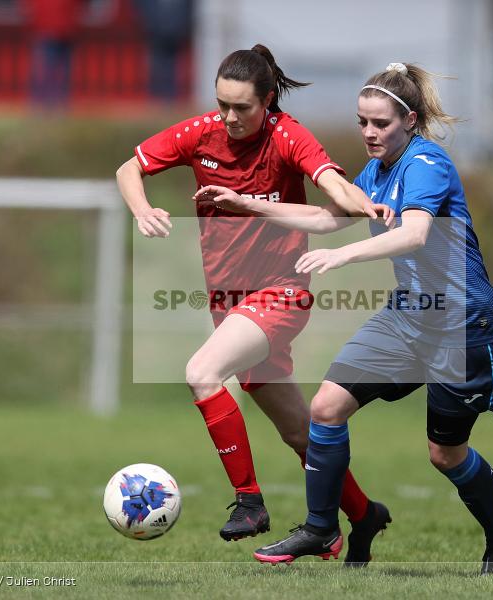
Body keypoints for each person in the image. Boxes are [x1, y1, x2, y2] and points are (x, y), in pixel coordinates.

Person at [197, 62, 493, 576]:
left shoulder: (427, 164)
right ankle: (322, 527)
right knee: (327, 408)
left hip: (462, 325)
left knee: (445, 454)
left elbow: (415, 233)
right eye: (362, 123)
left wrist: (344, 257)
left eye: (381, 124)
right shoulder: (376, 171)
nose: (370, 133)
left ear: (410, 121)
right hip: (407, 318)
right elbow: (332, 217)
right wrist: (246, 205)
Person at [116, 44, 394, 566]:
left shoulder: (288, 135)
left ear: (267, 101)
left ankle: (249, 502)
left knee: (201, 371)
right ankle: (363, 514)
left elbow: (332, 183)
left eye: (242, 107)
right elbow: (129, 169)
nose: (229, 116)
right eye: (222, 103)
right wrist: (141, 208)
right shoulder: (199, 133)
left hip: (281, 292)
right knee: (297, 431)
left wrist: (367, 205)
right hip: (229, 301)